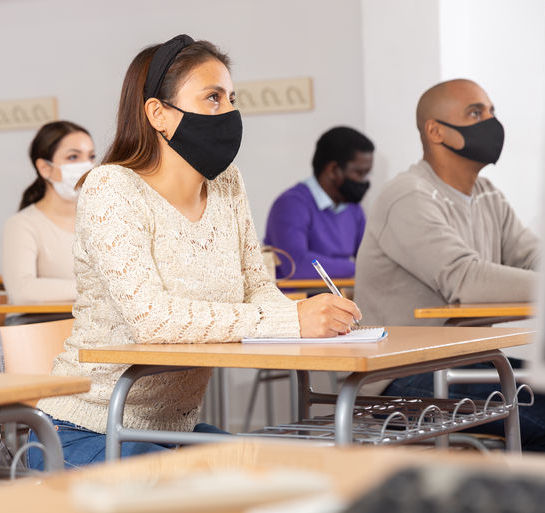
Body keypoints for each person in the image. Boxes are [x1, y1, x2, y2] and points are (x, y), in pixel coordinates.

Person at [29, 35, 361, 469]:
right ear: (158, 114)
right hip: (85, 427)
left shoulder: (227, 183)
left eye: (231, 98)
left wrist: (310, 322)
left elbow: (257, 287)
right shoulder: (111, 187)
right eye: (212, 98)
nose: (228, 112)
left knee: (274, 471)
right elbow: (151, 319)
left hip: (169, 429)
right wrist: (291, 319)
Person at [354, 79, 544, 451]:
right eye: (475, 113)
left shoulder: (488, 194)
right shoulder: (408, 195)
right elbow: (465, 279)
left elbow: (532, 255)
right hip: (399, 376)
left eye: (491, 112)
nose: (490, 122)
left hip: (468, 361)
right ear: (436, 131)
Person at [2, 121, 95, 322]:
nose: (86, 165)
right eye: (73, 157)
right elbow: (22, 291)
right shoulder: (22, 224)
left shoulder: (99, 221)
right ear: (45, 168)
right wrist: (94, 287)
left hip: (95, 330)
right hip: (38, 332)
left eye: (91, 157)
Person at [264, 126, 374, 279]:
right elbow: (297, 265)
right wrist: (355, 268)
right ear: (333, 170)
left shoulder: (353, 209)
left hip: (341, 298)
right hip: (298, 301)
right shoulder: (291, 205)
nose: (364, 181)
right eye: (359, 173)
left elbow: (369, 262)